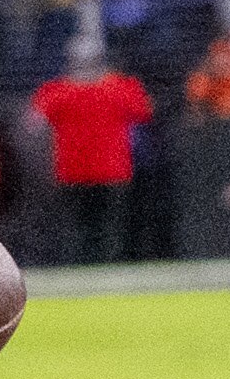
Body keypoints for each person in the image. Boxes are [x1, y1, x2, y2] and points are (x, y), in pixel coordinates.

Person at [29, 37, 155, 264]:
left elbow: (33, 122)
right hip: (102, 171)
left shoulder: (57, 91)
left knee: (85, 227)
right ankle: (105, 266)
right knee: (104, 227)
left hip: (84, 171)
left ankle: (87, 266)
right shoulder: (119, 87)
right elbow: (144, 112)